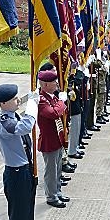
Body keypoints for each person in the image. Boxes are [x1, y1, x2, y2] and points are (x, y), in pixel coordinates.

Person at [0, 84, 48, 220]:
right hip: (15, 173)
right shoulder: (3, 122)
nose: (18, 100)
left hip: (25, 170)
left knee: (27, 215)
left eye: (17, 97)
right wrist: (33, 104)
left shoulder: (14, 116)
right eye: (13, 99)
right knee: (18, 218)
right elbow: (24, 127)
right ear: (2, 103)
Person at [37, 70, 70, 208]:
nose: (57, 83)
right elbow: (53, 112)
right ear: (45, 84)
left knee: (57, 169)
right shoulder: (42, 99)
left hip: (57, 138)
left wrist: (60, 103)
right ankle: (51, 196)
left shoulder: (51, 97)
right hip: (49, 139)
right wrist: (62, 102)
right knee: (51, 171)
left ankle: (57, 191)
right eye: (53, 82)